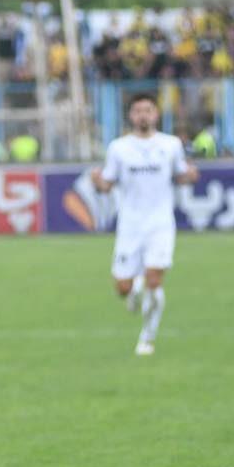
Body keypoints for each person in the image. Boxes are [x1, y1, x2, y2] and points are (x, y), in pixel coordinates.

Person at [91, 93, 199, 356]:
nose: (143, 115)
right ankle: (134, 289)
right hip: (129, 225)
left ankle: (147, 338)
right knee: (123, 287)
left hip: (160, 224)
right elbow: (107, 184)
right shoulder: (118, 148)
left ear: (156, 114)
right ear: (131, 115)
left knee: (154, 279)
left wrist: (191, 176)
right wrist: (97, 181)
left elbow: (181, 175)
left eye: (148, 110)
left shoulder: (171, 145)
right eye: (138, 111)